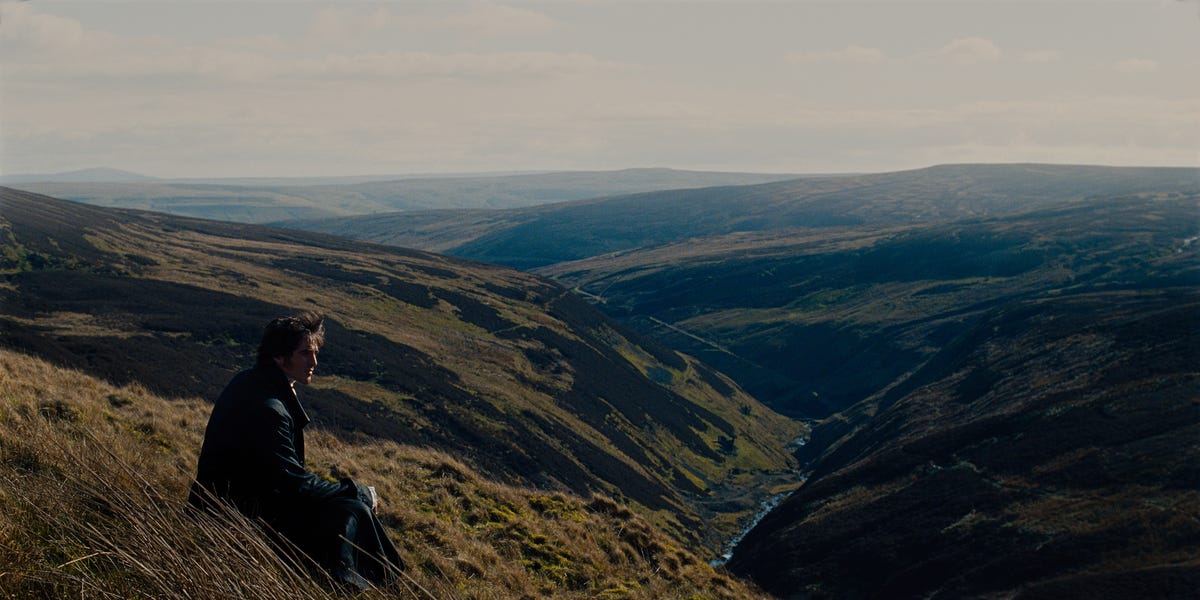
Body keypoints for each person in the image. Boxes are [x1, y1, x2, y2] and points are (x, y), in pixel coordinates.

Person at [188, 311, 401, 591]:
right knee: (351, 509)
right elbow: (290, 482)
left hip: (230, 502)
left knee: (344, 506)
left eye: (314, 352)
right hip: (236, 514)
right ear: (279, 356)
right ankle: (360, 585)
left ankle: (359, 582)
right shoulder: (269, 409)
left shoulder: (250, 381)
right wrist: (357, 491)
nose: (314, 362)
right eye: (304, 354)